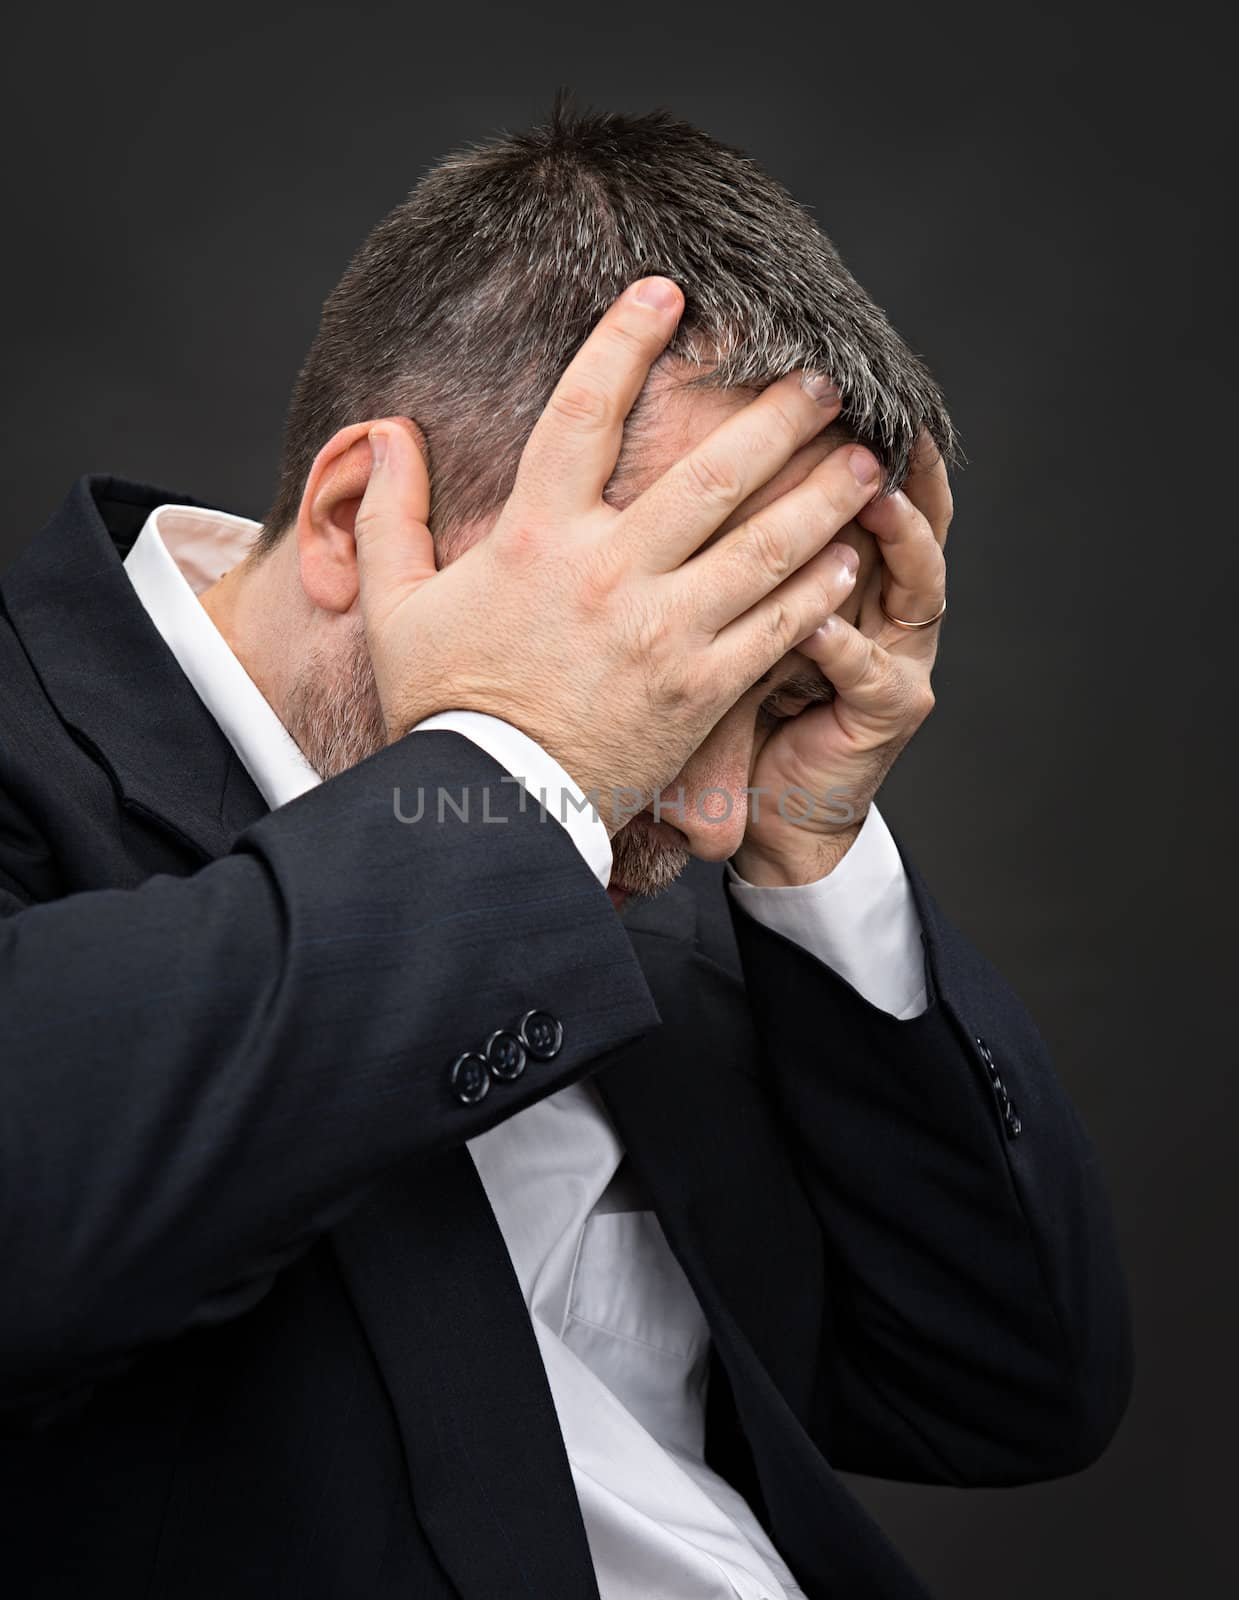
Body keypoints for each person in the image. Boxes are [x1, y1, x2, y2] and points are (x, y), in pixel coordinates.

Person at [0, 105, 1130, 1599]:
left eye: (765, 692)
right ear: (354, 517)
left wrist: (818, 852)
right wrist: (527, 765)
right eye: (654, 663)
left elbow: (1007, 1392)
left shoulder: (643, 867)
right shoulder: (511, 813)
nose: (713, 818)